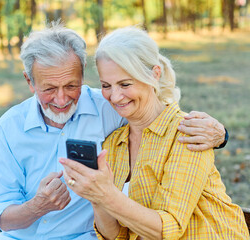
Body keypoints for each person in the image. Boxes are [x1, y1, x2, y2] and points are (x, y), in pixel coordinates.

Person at [0, 22, 228, 240]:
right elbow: (3, 217)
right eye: (49, 88)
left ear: (82, 76)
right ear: (30, 82)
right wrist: (38, 206)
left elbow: (161, 119)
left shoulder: (111, 108)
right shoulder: (10, 128)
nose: (61, 99)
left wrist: (221, 135)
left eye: (72, 85)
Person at [59, 26, 249, 240]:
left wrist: (106, 194)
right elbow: (116, 236)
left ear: (154, 74)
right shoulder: (113, 144)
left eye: (125, 84)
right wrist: (95, 196)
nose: (115, 96)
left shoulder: (188, 133)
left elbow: (167, 229)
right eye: (106, 85)